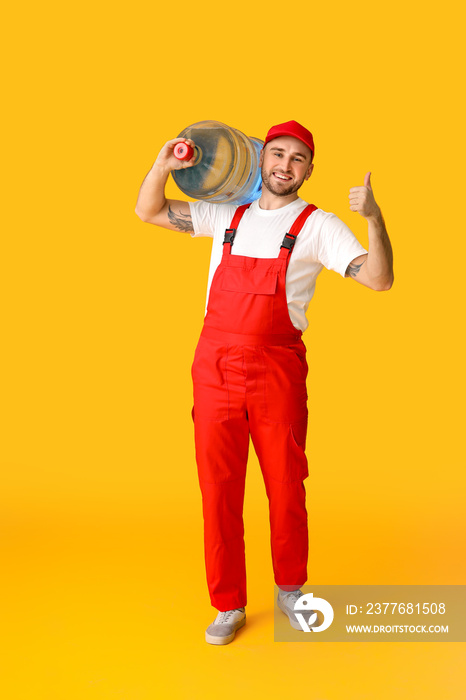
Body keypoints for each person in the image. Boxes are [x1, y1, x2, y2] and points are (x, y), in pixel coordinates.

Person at [135, 120, 394, 645]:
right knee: (218, 489)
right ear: (260, 159)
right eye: (277, 154)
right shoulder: (224, 213)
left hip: (276, 372)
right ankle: (227, 604)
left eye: (298, 159)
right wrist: (164, 164)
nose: (285, 165)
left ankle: (291, 590)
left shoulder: (318, 225)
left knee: (285, 486)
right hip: (214, 370)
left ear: (309, 170)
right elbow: (150, 211)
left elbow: (378, 278)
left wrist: (373, 217)